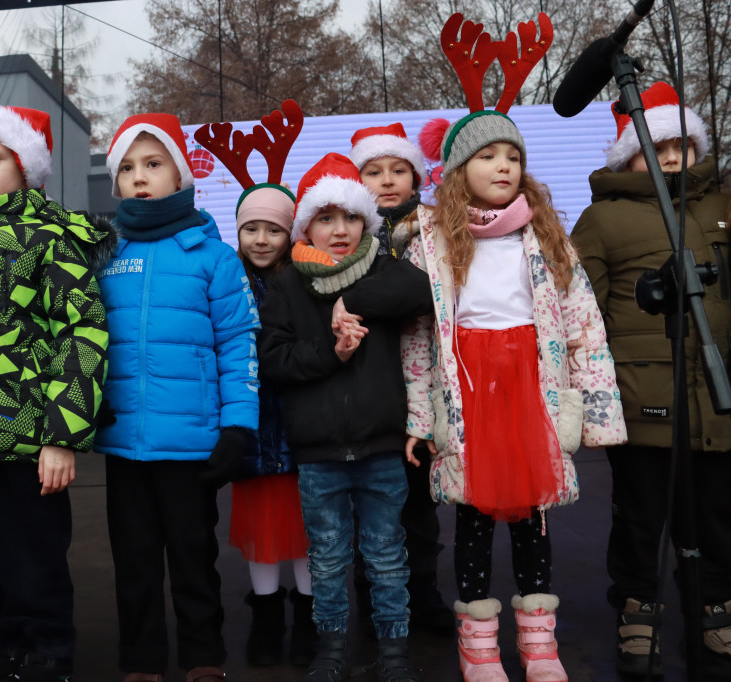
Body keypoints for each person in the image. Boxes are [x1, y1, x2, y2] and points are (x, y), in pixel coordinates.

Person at [402, 104, 627, 682]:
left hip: (531, 387)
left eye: (513, 156)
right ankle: (477, 648)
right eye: (487, 155)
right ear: (458, 169)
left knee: (534, 518)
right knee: (473, 518)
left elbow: (584, 325)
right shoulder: (429, 241)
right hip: (471, 389)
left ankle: (539, 645)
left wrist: (598, 412)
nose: (504, 165)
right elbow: (418, 338)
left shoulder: (546, 234)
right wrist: (418, 416)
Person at [0, 103, 113, 682]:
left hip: (30, 432)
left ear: (25, 165)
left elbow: (81, 335)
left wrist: (61, 437)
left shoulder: (49, 237)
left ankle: (48, 651)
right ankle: (9, 645)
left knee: (32, 553)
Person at [570, 81, 731, 678]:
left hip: (716, 396)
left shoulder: (719, 207)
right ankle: (638, 608)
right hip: (643, 398)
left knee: (714, 511)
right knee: (641, 515)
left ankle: (714, 607)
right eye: (654, 145)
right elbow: (578, 303)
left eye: (681, 145)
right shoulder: (604, 218)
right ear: (626, 155)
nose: (669, 157)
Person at [94, 113, 259, 682]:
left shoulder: (213, 257)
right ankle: (141, 660)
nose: (141, 178)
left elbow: (239, 343)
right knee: (134, 561)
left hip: (192, 444)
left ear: (181, 174)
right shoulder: (103, 255)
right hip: (124, 443)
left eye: (154, 163)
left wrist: (239, 424)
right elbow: (82, 336)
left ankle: (202, 656)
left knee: (194, 558)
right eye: (129, 168)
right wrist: (87, 401)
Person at [258, 152, 433, 682]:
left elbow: (422, 290)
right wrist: (330, 353)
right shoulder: (288, 285)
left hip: (381, 447)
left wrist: (350, 296)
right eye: (326, 218)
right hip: (320, 453)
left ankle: (395, 655)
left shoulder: (383, 267)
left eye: (352, 217)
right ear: (306, 224)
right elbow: (274, 360)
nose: (340, 230)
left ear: (367, 221)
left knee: (385, 557)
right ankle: (331, 650)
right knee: (329, 559)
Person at [349, 123, 453, 637]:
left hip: (424, 386)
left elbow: (429, 296)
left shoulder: (435, 230)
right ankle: (370, 592)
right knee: (368, 501)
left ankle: (426, 590)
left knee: (417, 499)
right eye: (374, 171)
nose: (387, 180)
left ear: (416, 177)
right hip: (367, 386)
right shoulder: (348, 234)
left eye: (398, 170)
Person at [229, 182, 316, 666]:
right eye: (251, 229)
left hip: (301, 425)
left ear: (290, 234)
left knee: (307, 529)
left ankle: (307, 616)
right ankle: (266, 617)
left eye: (273, 230)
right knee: (261, 529)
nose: (261, 239)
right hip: (253, 426)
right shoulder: (230, 281)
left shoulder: (306, 279)